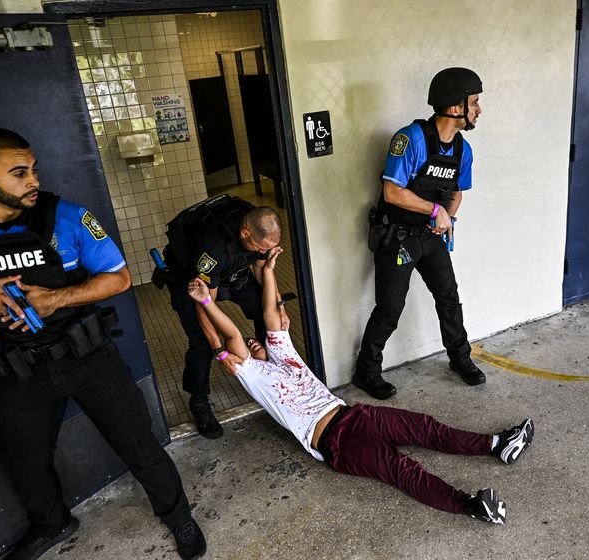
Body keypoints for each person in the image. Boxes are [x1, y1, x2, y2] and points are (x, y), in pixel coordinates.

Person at [0, 128, 205, 560]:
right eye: (19, 174)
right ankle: (53, 524)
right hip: (18, 371)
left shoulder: (69, 218)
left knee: (139, 443)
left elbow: (118, 277)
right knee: (24, 461)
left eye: (34, 170)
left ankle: (179, 516)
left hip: (87, 357)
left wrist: (55, 298)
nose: (33, 181)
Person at [187, 247, 534, 523]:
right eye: (248, 347)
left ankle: (497, 444)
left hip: (354, 415)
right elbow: (229, 333)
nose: (251, 344)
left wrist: (268, 273)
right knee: (402, 470)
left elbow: (270, 316)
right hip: (335, 441)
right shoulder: (253, 375)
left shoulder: (284, 355)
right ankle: (469, 506)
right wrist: (205, 301)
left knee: (425, 428)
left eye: (254, 341)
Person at [354, 67, 488, 399]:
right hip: (397, 237)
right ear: (455, 107)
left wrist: (447, 219)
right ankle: (366, 373)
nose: (479, 110)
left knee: (449, 298)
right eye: (474, 103)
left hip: (432, 237)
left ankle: (460, 359)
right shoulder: (409, 139)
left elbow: (457, 192)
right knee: (389, 308)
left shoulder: (462, 150)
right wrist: (435, 211)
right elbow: (392, 192)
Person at [159, 195, 285, 439]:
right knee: (202, 344)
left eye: (269, 247)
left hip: (231, 273)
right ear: (245, 233)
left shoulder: (259, 229)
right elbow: (204, 303)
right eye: (262, 248)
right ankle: (199, 402)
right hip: (193, 283)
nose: (265, 252)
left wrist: (279, 305)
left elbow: (260, 268)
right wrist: (221, 352)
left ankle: (268, 373)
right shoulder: (213, 249)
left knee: (265, 311)